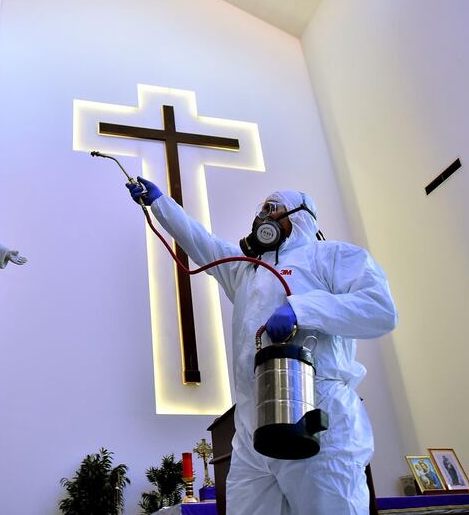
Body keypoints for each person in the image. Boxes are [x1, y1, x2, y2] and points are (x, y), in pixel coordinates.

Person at [126, 177, 397, 514]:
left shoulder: (331, 256)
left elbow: (380, 310)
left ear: (299, 217)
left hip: (319, 422)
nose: (262, 219)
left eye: (272, 209)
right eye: (261, 211)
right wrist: (160, 203)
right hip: (253, 430)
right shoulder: (246, 269)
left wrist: (303, 308)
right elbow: (202, 242)